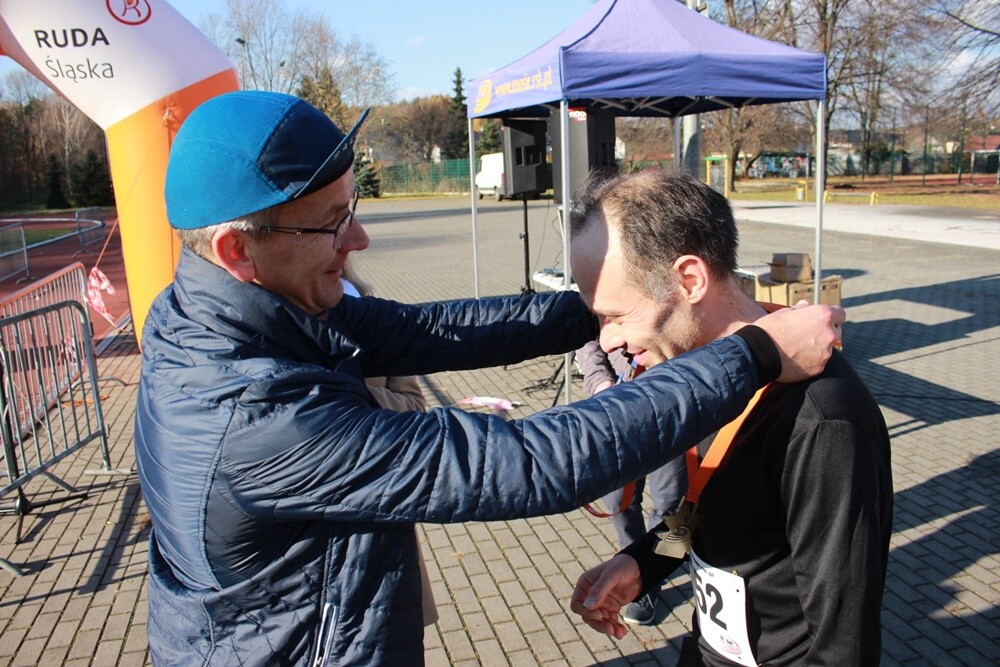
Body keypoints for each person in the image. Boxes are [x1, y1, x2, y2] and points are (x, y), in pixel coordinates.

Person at [134, 90, 844, 666]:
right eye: (330, 223)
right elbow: (524, 462)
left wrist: (596, 305)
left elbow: (435, 329)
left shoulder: (224, 311)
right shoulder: (248, 412)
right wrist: (748, 354)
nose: (358, 240)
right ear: (237, 250)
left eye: (352, 210)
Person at [567, 169, 892, 666]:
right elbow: (706, 508)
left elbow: (844, 643)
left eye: (616, 315)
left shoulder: (824, 421)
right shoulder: (697, 376)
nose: (608, 341)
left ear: (689, 280)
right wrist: (643, 563)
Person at [577, 339, 687, 625]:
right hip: (619, 414)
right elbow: (587, 339)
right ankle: (637, 564)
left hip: (674, 413)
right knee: (617, 503)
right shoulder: (604, 302)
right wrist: (601, 383)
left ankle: (652, 577)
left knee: (671, 506)